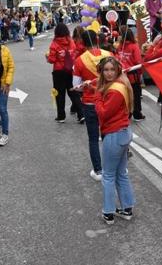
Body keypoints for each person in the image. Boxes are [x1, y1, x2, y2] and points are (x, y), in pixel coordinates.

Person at [89, 57, 136, 225]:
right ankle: (127, 208)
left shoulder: (115, 90)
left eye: (111, 69)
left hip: (114, 134)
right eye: (106, 70)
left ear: (117, 70)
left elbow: (103, 112)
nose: (109, 73)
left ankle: (108, 212)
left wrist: (96, 96)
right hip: (123, 133)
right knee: (120, 173)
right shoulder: (121, 84)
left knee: (108, 175)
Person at [73, 30, 112, 180]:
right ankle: (114, 167)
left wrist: (88, 85)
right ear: (97, 39)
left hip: (90, 103)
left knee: (93, 138)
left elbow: (76, 86)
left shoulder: (80, 60)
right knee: (110, 135)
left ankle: (98, 170)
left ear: (82, 42)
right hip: (109, 99)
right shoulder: (109, 55)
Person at [47, 23, 83, 123]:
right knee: (73, 92)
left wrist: (48, 57)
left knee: (60, 94)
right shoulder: (71, 41)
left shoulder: (54, 43)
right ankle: (81, 114)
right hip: (70, 69)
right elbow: (75, 53)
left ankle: (61, 116)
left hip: (58, 71)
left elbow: (51, 59)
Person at [116, 28, 145, 121]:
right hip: (133, 75)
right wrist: (140, 73)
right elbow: (138, 61)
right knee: (136, 95)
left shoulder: (119, 46)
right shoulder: (134, 46)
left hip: (122, 74)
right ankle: (137, 114)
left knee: (125, 94)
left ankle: (126, 113)